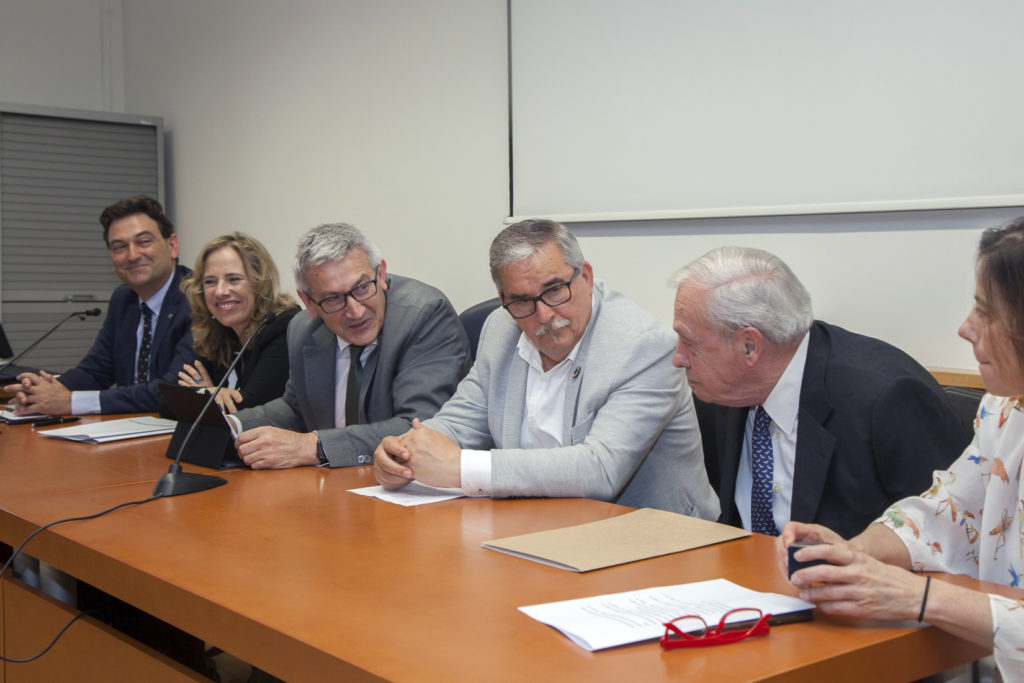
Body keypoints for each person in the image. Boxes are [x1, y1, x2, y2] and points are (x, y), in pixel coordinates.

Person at [779, 218, 1024, 678]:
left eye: (986, 313)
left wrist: (917, 597)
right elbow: (950, 510)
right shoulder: (1005, 408)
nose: (965, 329)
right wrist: (854, 552)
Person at [374, 218, 719, 518]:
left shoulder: (643, 345)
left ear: (585, 276)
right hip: (536, 522)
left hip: (654, 539)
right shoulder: (500, 328)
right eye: (522, 301)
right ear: (503, 300)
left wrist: (459, 467)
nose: (544, 315)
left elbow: (600, 469)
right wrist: (405, 452)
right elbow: (462, 419)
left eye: (554, 291)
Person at [673, 246, 967, 538]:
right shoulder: (725, 390)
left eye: (689, 342)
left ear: (749, 345)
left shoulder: (886, 399)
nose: (678, 358)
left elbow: (946, 534)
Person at [229, 222, 471, 469]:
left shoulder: (424, 315)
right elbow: (297, 409)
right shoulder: (303, 329)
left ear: (381, 274)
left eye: (362, 287)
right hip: (331, 488)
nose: (355, 311)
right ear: (308, 302)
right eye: (333, 298)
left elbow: (419, 427)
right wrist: (232, 425)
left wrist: (314, 446)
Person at [4, 195, 194, 415]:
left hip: (177, 431)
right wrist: (45, 390)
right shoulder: (123, 298)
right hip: (130, 427)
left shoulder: (198, 298)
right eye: (119, 247)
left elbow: (173, 390)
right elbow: (95, 372)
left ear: (172, 246)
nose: (132, 255)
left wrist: (71, 402)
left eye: (143, 242)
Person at [176, 233, 300, 413]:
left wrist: (205, 395)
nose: (220, 291)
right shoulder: (219, 333)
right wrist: (209, 394)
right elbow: (168, 396)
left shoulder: (283, 325)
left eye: (233, 279)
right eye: (210, 282)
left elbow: (251, 407)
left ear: (260, 281)